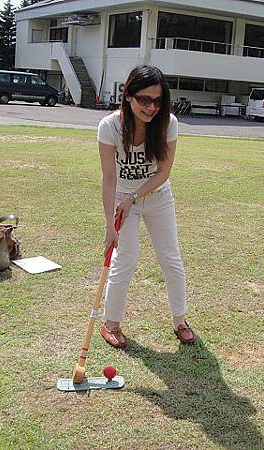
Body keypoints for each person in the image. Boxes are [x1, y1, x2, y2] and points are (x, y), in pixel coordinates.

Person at [96, 65, 195, 348]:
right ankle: (111, 324)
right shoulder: (109, 126)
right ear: (128, 95)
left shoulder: (168, 123)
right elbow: (109, 177)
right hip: (121, 200)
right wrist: (109, 224)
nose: (151, 107)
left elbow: (163, 172)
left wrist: (134, 197)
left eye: (157, 100)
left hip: (157, 197)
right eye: (144, 99)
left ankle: (180, 320)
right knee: (125, 259)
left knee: (170, 258)